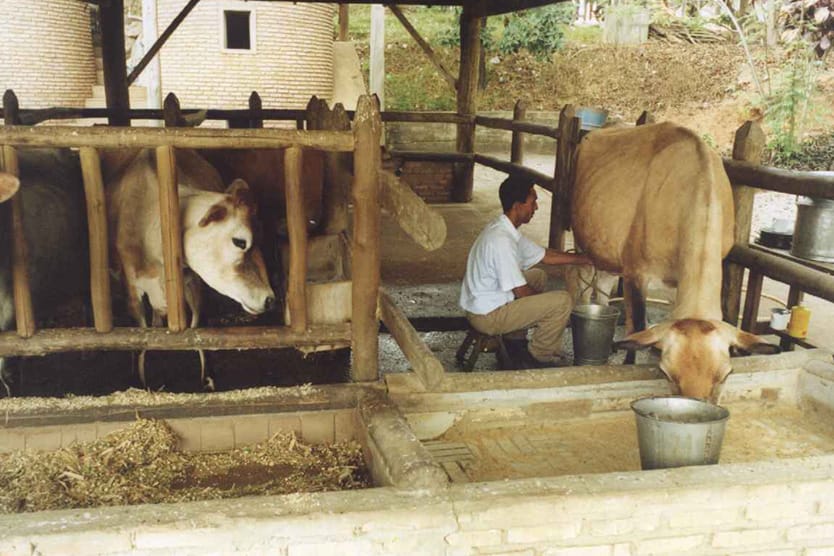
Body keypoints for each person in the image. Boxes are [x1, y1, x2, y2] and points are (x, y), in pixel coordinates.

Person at [459, 176, 592, 367]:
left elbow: (545, 255)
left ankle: (515, 340)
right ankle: (540, 357)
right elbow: (521, 293)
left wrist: (586, 259)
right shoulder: (501, 241)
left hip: (484, 301)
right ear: (517, 205)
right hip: (487, 316)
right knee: (562, 301)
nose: (536, 207)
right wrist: (544, 305)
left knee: (538, 275)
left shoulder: (503, 228)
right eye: (533, 202)